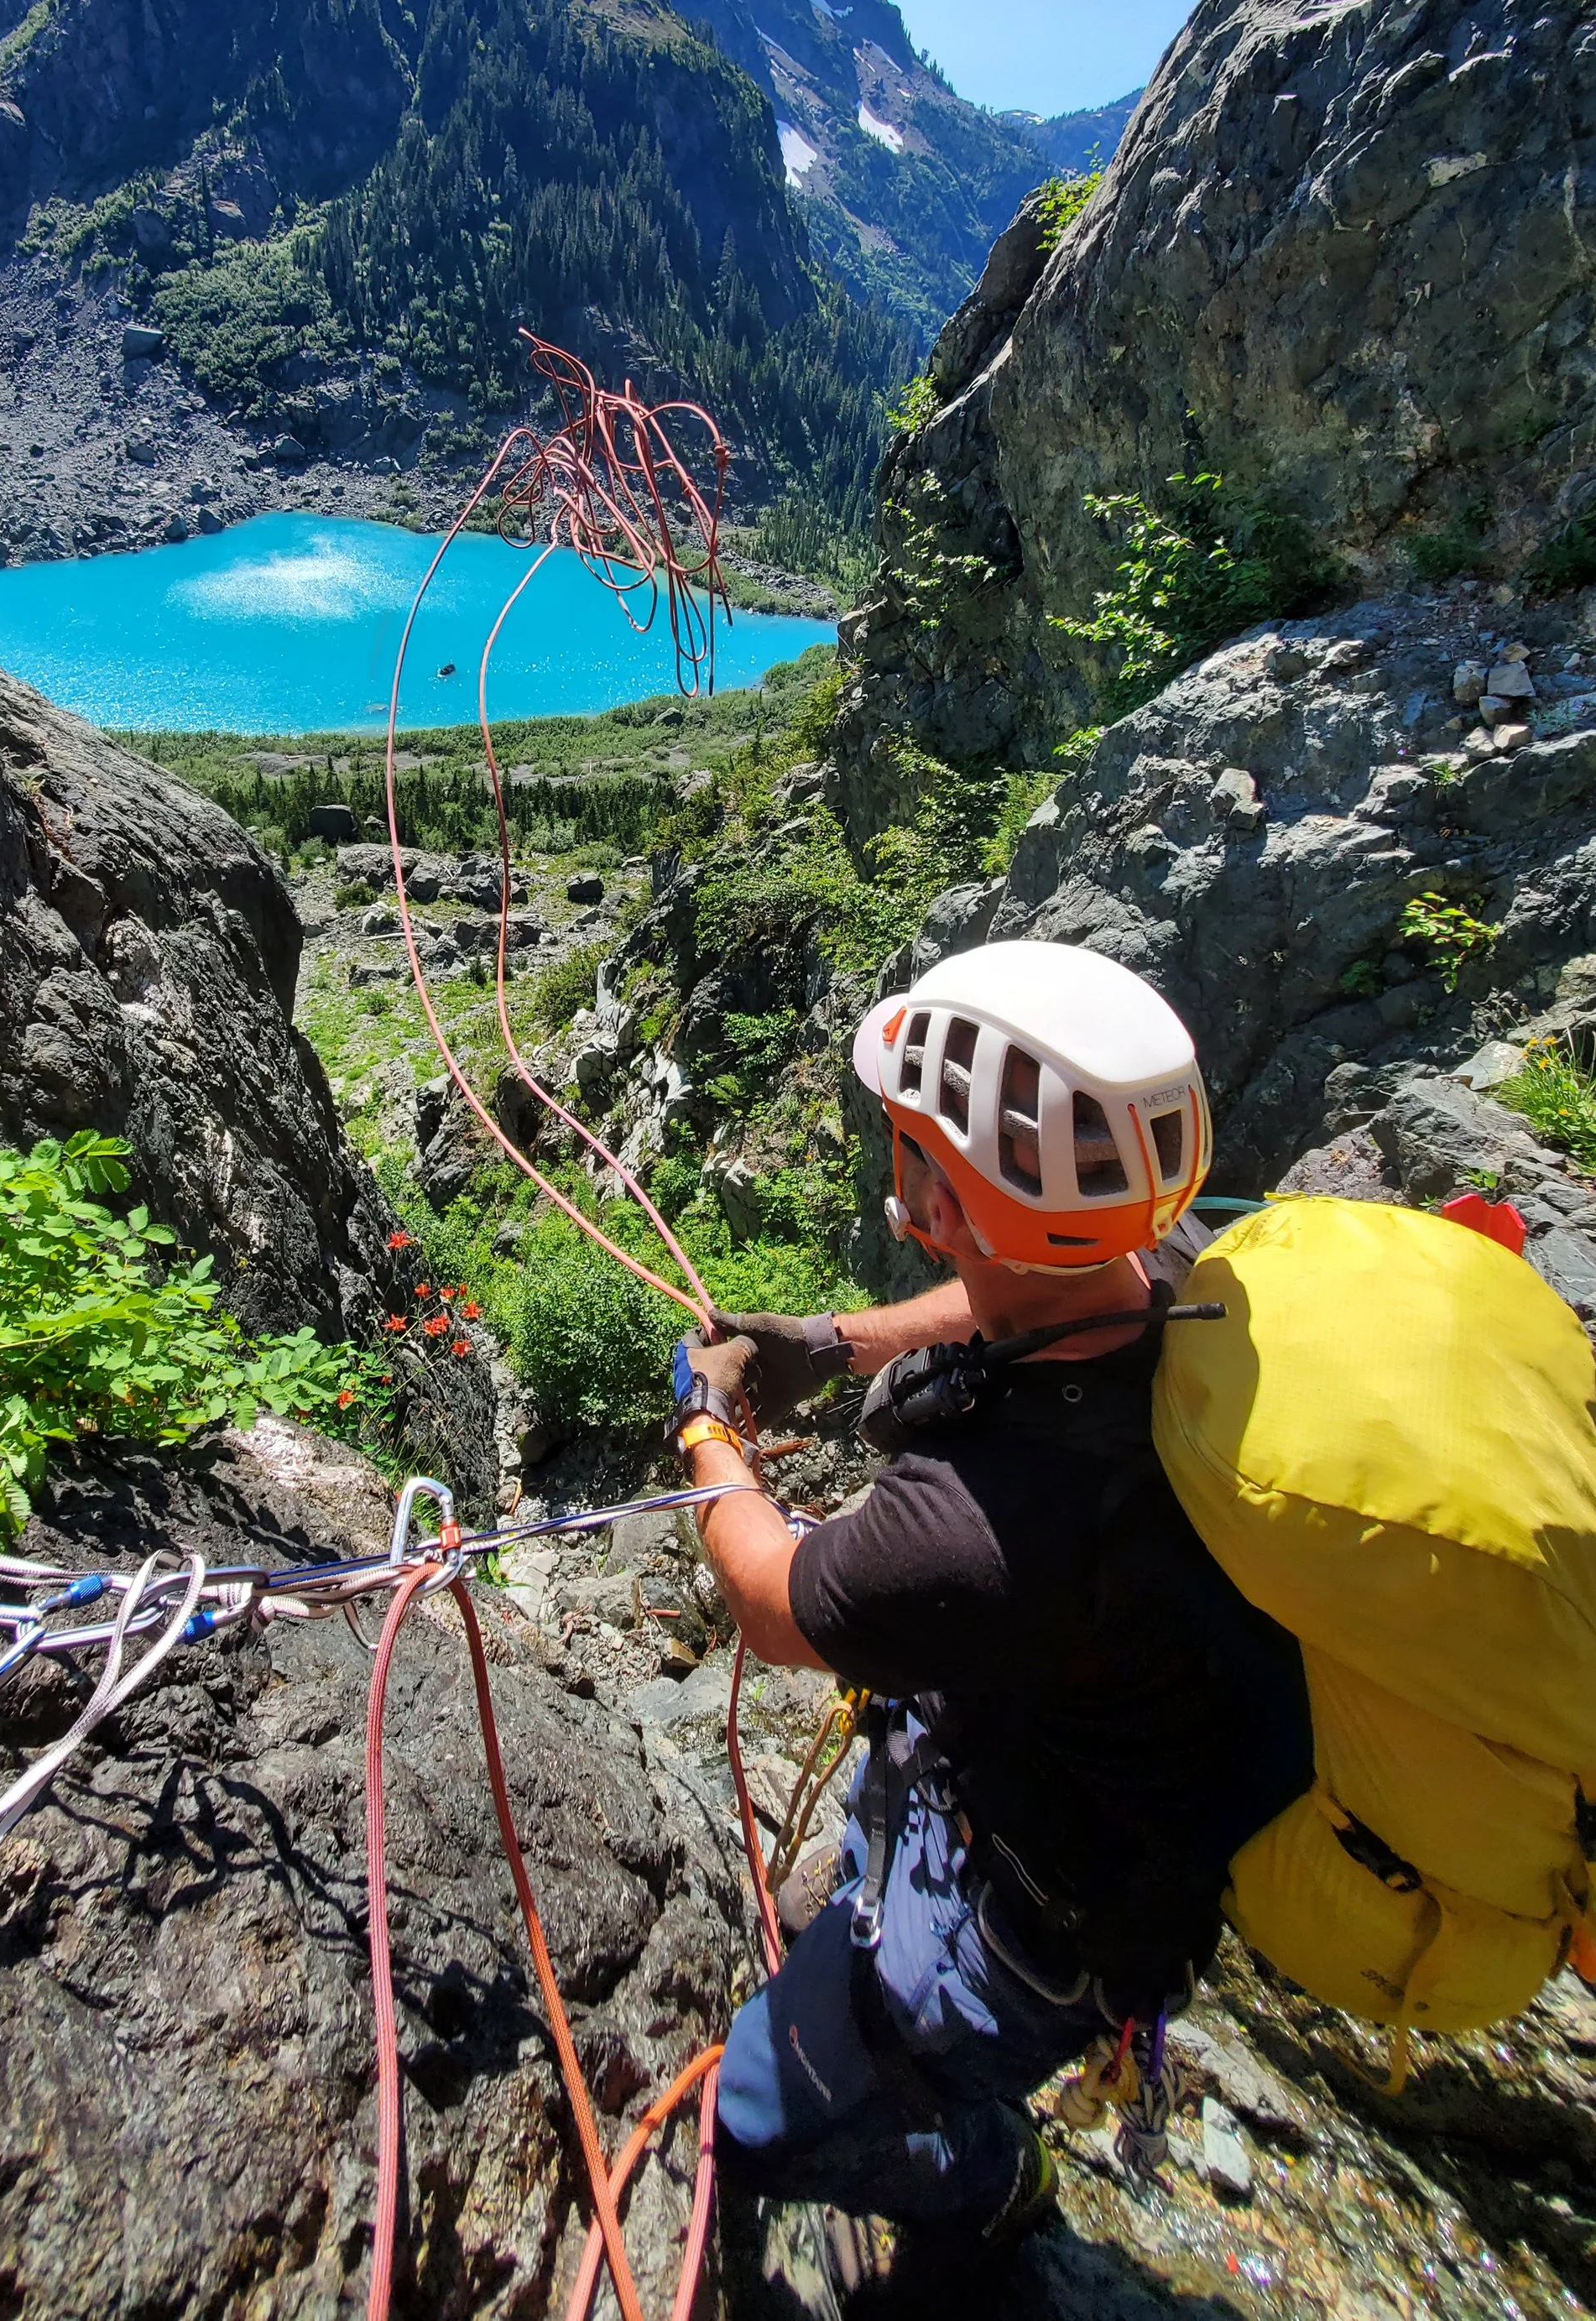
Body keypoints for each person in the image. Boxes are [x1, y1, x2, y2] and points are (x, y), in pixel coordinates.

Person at [670, 941, 1313, 2276]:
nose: (895, 1170)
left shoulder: (964, 1534)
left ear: (932, 1194)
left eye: (911, 1150)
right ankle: (886, 1961)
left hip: (1039, 1929)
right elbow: (1026, 1280)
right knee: (860, 1882)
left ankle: (984, 2177)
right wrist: (839, 1341)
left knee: (753, 2118)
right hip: (1072, 1783)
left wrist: (706, 1426)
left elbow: (771, 1596)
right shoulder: (1186, 1268)